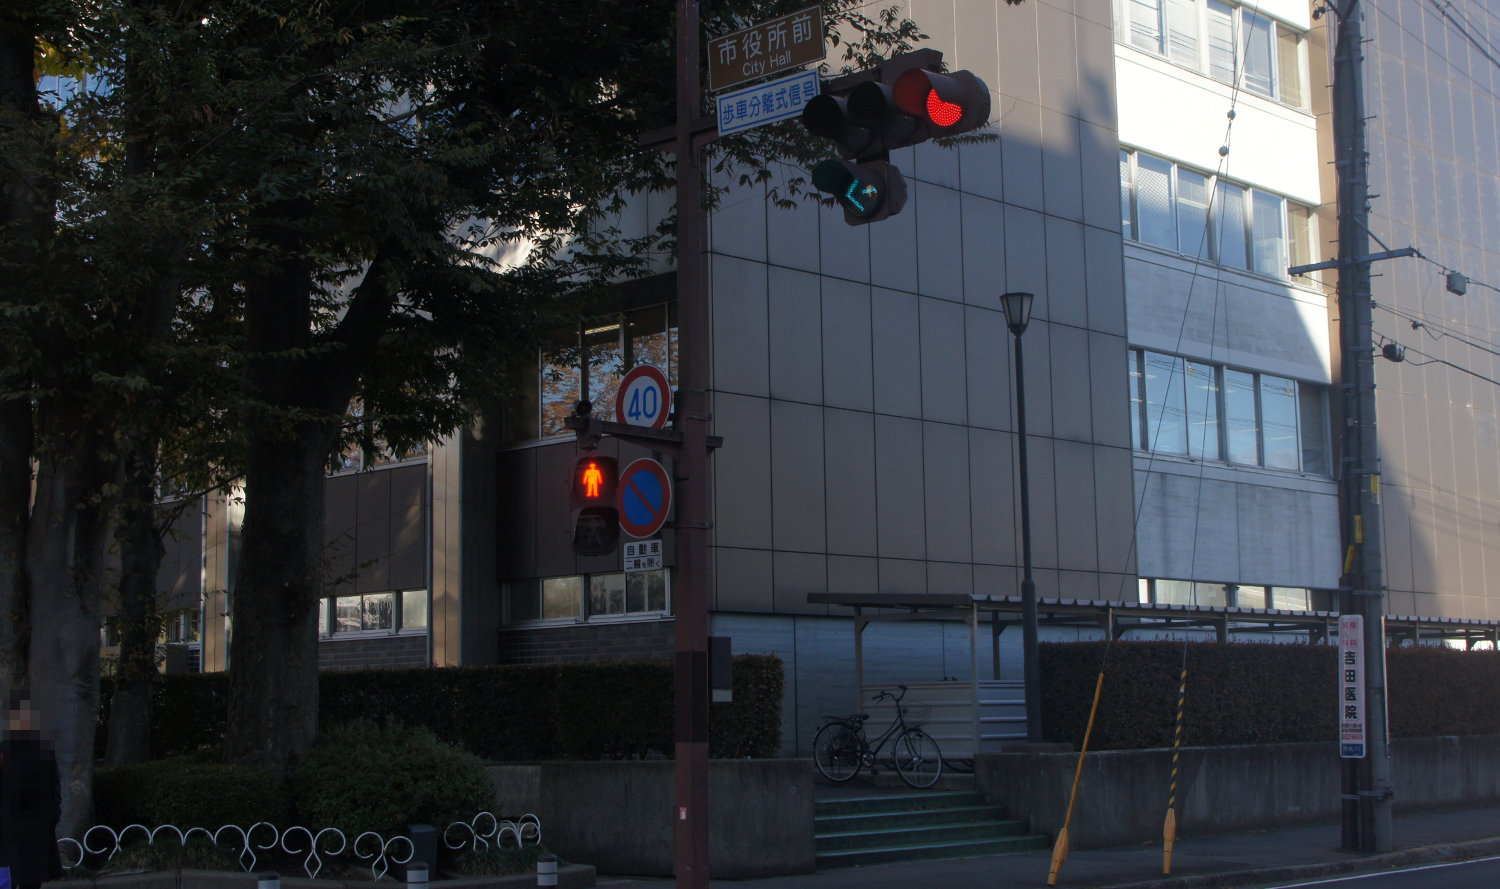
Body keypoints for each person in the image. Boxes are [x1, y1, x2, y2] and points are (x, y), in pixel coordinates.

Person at [0, 688, 63, 889]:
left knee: (29, 879)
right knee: (10, 878)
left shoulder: (43, 750)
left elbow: (53, 785)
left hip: (33, 827)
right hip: (9, 828)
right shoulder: (5, 751)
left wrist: (52, 813)